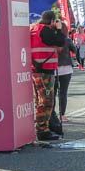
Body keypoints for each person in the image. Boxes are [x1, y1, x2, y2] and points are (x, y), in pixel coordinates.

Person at [30, 11, 65, 142]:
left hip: (35, 69)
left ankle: (41, 128)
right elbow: (60, 41)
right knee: (47, 101)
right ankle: (42, 130)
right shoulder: (45, 30)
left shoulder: (34, 28)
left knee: (39, 101)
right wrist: (59, 29)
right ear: (51, 21)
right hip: (45, 71)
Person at [56, 23, 77, 121]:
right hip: (66, 69)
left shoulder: (51, 40)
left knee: (52, 93)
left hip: (53, 68)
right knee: (63, 93)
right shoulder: (67, 40)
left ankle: (52, 116)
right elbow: (75, 50)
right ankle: (62, 115)